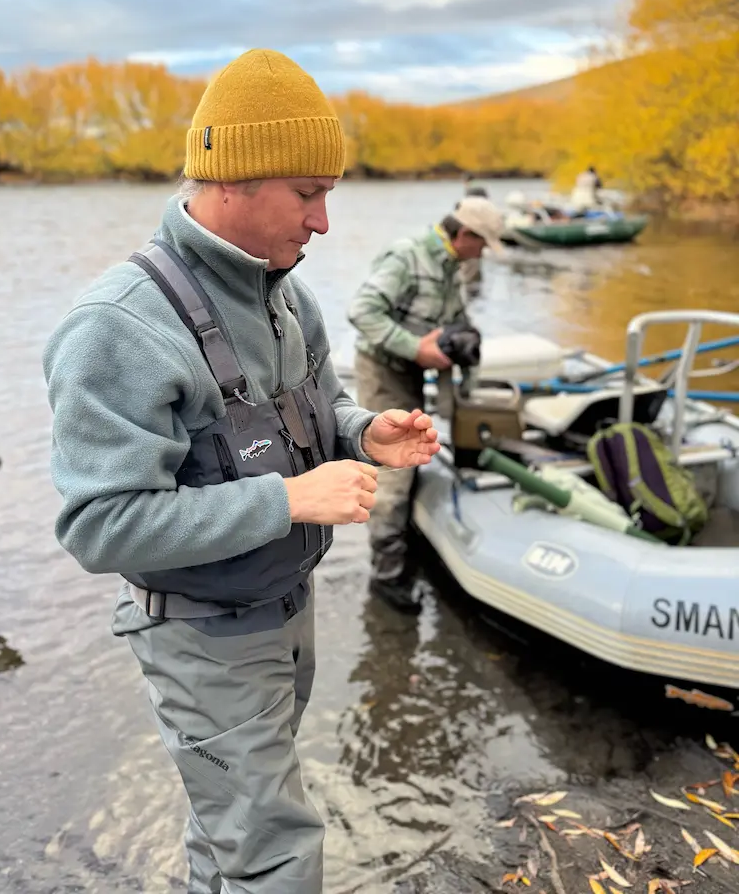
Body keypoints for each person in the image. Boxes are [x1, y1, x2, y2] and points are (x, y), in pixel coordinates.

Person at [42, 49, 441, 894]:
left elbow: (324, 407)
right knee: (279, 854)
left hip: (287, 610)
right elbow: (98, 526)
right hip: (203, 636)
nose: (324, 222)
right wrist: (289, 499)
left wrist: (365, 433)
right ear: (233, 179)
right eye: (307, 193)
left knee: (228, 829)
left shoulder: (288, 293)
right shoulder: (117, 326)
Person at [347, 196, 505, 614]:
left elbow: (457, 321)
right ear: (464, 234)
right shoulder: (408, 256)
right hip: (384, 372)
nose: (482, 253)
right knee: (393, 475)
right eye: (482, 243)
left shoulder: (452, 268)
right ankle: (387, 577)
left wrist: (466, 356)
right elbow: (361, 311)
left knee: (416, 457)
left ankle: (406, 542)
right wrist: (415, 347)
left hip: (415, 372)